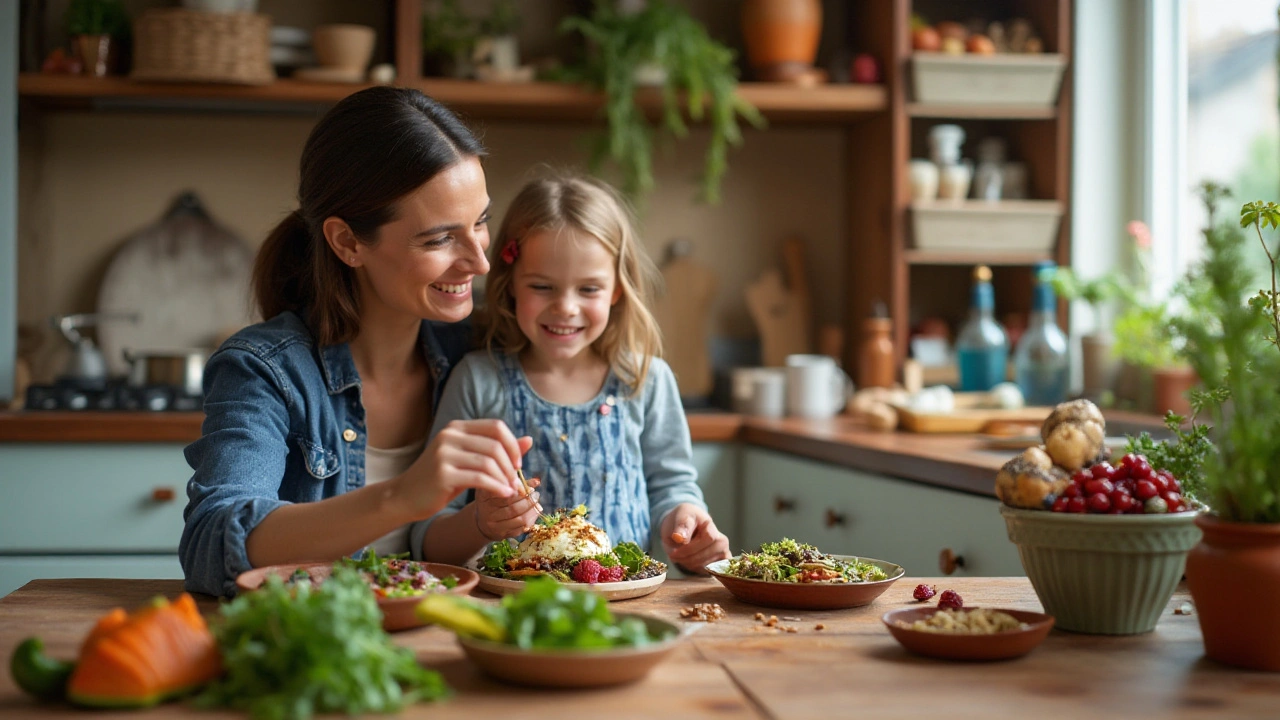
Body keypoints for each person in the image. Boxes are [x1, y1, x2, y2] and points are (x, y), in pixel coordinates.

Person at [179, 87, 541, 597]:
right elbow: (211, 541)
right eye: (439, 239)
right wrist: (401, 497)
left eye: (479, 222)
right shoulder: (263, 369)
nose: (479, 262)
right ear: (348, 242)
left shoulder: (484, 349)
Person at [418, 173, 731, 573]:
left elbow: (672, 488)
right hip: (512, 612)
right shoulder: (478, 382)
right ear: (510, 283)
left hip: (627, 610)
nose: (566, 307)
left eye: (588, 289)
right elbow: (428, 536)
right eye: (543, 287)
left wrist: (686, 521)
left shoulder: (646, 380)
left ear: (617, 289)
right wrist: (480, 524)